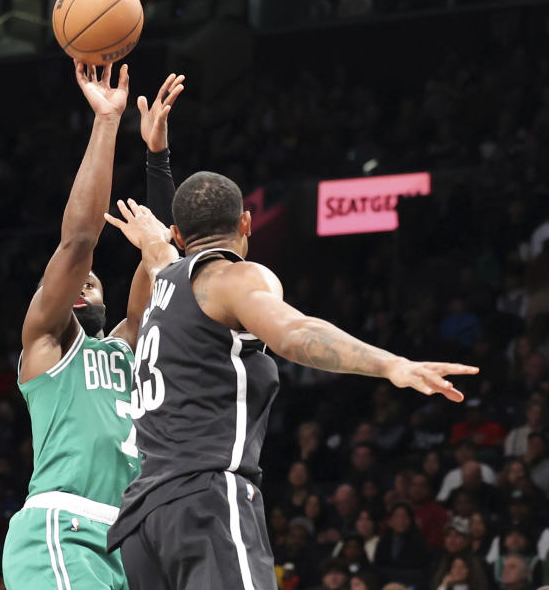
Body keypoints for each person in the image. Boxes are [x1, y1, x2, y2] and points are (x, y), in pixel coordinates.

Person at [104, 173, 478, 589]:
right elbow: (294, 333)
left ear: (178, 233)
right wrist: (391, 364)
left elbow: (157, 251)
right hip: (203, 498)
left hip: (139, 522)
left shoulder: (161, 280)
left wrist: (158, 161)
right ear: (246, 222)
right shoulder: (232, 278)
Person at [0, 63, 186, 590]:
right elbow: (79, 243)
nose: (85, 285)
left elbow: (160, 255)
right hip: (65, 525)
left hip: (130, 544)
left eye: (94, 284)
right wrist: (108, 121)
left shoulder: (128, 346)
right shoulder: (48, 344)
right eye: (77, 283)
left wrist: (157, 159)